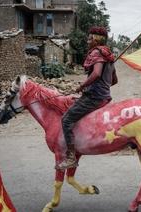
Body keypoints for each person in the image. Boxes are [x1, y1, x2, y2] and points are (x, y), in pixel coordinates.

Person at [56, 26, 118, 170]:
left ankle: (71, 157)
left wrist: (82, 86)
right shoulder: (108, 55)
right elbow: (114, 81)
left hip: (94, 97)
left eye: (90, 38)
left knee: (66, 119)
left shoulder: (97, 53)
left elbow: (96, 74)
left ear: (96, 40)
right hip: (104, 96)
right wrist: (103, 84)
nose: (87, 40)